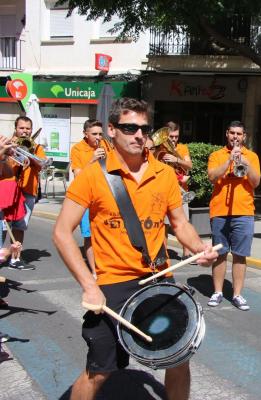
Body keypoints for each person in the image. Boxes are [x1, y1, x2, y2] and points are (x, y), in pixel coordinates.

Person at [52, 98, 218, 400]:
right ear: (112, 130)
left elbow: (180, 224)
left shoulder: (164, 174)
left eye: (144, 128)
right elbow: (62, 232)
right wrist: (90, 286)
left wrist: (198, 248)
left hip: (158, 279)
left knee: (179, 359)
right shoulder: (93, 175)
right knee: (100, 369)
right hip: (112, 285)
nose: (139, 135)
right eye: (130, 128)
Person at [206, 121, 260, 311]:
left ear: (244, 136)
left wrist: (244, 163)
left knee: (240, 255)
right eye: (232, 133)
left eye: (239, 134)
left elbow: (255, 182)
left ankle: (237, 294)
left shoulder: (251, 156)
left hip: (244, 212)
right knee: (219, 254)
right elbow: (212, 177)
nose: (235, 137)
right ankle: (218, 292)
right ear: (226, 134)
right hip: (220, 211)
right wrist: (229, 161)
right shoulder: (216, 155)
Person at [6, 116, 49, 270]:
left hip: (28, 191)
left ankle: (15, 259)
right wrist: (12, 150)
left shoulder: (36, 147)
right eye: (22, 128)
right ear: (16, 128)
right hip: (8, 190)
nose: (25, 131)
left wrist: (29, 153)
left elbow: (42, 165)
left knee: (20, 225)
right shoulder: (6, 145)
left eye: (28, 128)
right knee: (3, 226)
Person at [70, 119, 106, 273]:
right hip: (86, 198)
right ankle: (94, 270)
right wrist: (92, 159)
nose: (98, 137)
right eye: (94, 134)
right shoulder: (77, 149)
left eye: (100, 134)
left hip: (103, 196)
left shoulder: (106, 146)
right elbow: (79, 176)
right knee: (89, 235)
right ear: (85, 134)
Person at [158, 122, 194, 258]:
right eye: (171, 137)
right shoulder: (159, 149)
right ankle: (163, 254)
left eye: (176, 137)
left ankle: (187, 253)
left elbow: (189, 165)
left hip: (181, 190)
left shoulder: (183, 148)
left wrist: (176, 160)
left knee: (183, 223)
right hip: (165, 189)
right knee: (164, 224)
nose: (174, 140)